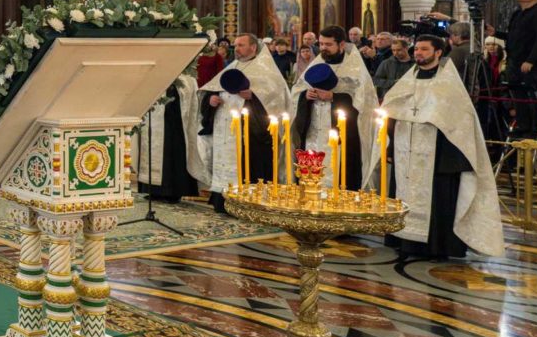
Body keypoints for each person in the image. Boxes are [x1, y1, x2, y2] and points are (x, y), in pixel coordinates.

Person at [382, 35, 505, 260]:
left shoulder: (449, 85)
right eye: (417, 49)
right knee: (403, 192)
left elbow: (459, 120)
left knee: (437, 198)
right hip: (405, 152)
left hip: (436, 153)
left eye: (424, 49)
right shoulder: (407, 81)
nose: (418, 53)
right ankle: (403, 239)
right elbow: (391, 109)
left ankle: (435, 247)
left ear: (438, 52)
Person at [192, 33, 290, 212]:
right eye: (236, 45)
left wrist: (254, 96)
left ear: (253, 47)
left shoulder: (266, 70)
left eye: (241, 45)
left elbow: (276, 101)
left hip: (250, 132)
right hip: (225, 131)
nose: (236, 49)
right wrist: (211, 100)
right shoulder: (233, 66)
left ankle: (247, 203)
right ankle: (222, 201)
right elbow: (211, 90)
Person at [290, 25, 378, 191]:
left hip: (342, 137)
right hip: (313, 134)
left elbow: (364, 104)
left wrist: (334, 97)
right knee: (311, 177)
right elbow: (297, 91)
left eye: (329, 44)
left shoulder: (355, 69)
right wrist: (305, 96)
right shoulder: (317, 64)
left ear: (341, 44)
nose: (323, 48)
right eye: (321, 44)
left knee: (340, 176)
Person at [138, 62, 199, 202]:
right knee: (154, 146)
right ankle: (154, 190)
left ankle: (174, 190)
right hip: (156, 116)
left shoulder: (186, 76)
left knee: (174, 148)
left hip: (175, 117)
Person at [503, 0, 537, 140]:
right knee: (518, 95)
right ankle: (523, 125)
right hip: (515, 61)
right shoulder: (517, 13)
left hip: (531, 62)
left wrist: (531, 60)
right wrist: (495, 33)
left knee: (534, 94)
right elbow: (513, 36)